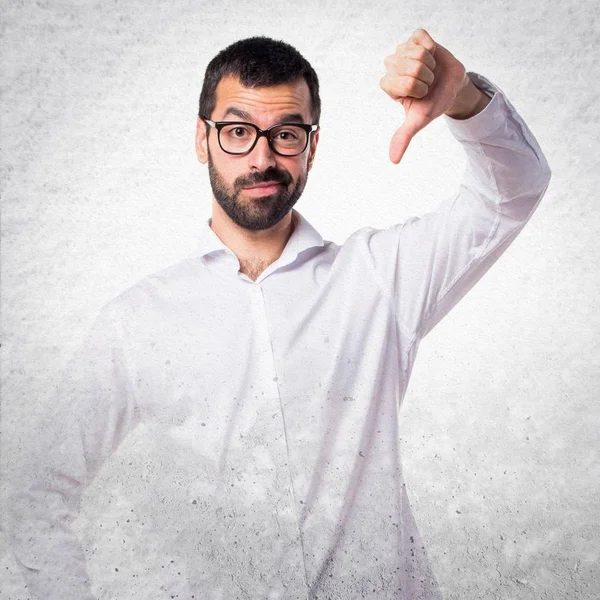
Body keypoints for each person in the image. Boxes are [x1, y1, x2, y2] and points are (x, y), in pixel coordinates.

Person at [6, 28, 551, 600]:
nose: (263, 159)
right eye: (238, 131)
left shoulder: (380, 280)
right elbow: (39, 495)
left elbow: (512, 193)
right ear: (202, 139)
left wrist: (463, 97)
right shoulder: (137, 322)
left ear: (312, 145)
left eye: (286, 134)